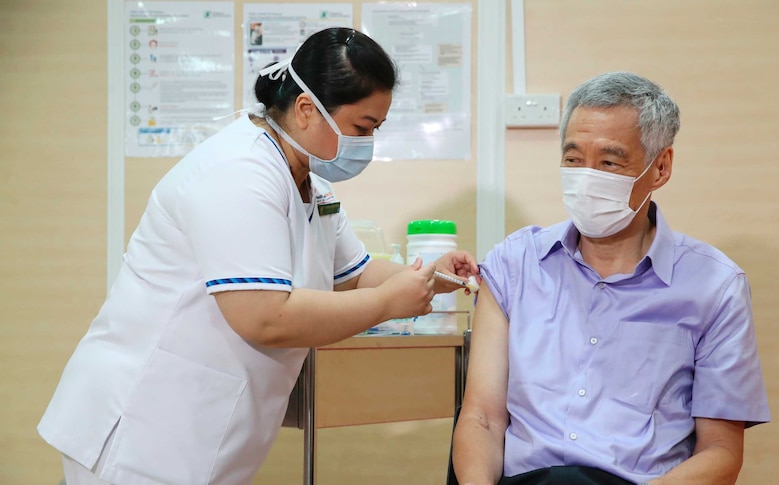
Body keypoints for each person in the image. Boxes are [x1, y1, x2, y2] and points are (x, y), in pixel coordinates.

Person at [38, 27, 479, 485]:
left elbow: (354, 274)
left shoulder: (309, 180)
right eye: (362, 128)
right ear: (307, 110)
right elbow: (264, 316)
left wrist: (432, 275)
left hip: (201, 425)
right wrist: (391, 303)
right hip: (144, 423)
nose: (367, 143)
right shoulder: (238, 172)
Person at [452, 72, 770, 485]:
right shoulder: (515, 264)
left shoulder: (715, 286)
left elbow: (721, 453)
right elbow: (482, 420)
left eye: (608, 162)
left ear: (660, 168)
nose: (586, 176)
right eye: (573, 159)